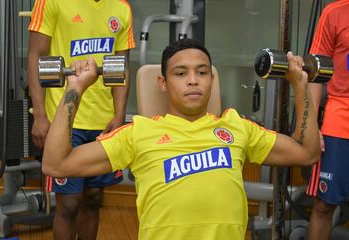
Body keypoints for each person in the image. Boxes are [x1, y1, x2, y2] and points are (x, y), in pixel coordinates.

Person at [42, 38, 320, 240]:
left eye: (202, 72)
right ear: (162, 83)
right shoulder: (139, 132)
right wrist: (76, 87)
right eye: (180, 73)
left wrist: (300, 85)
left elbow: (305, 153)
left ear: (211, 80)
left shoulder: (237, 126)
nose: (193, 80)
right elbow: (57, 165)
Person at [27, 0, 135, 239]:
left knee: (94, 198)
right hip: (65, 121)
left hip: (102, 123)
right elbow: (36, 56)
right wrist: (40, 115)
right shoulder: (51, 2)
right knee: (69, 203)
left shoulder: (122, 8)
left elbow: (122, 67)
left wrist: (119, 116)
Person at [305, 1, 349, 239]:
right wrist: (311, 127)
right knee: (324, 206)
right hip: (339, 120)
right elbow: (315, 74)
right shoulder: (335, 13)